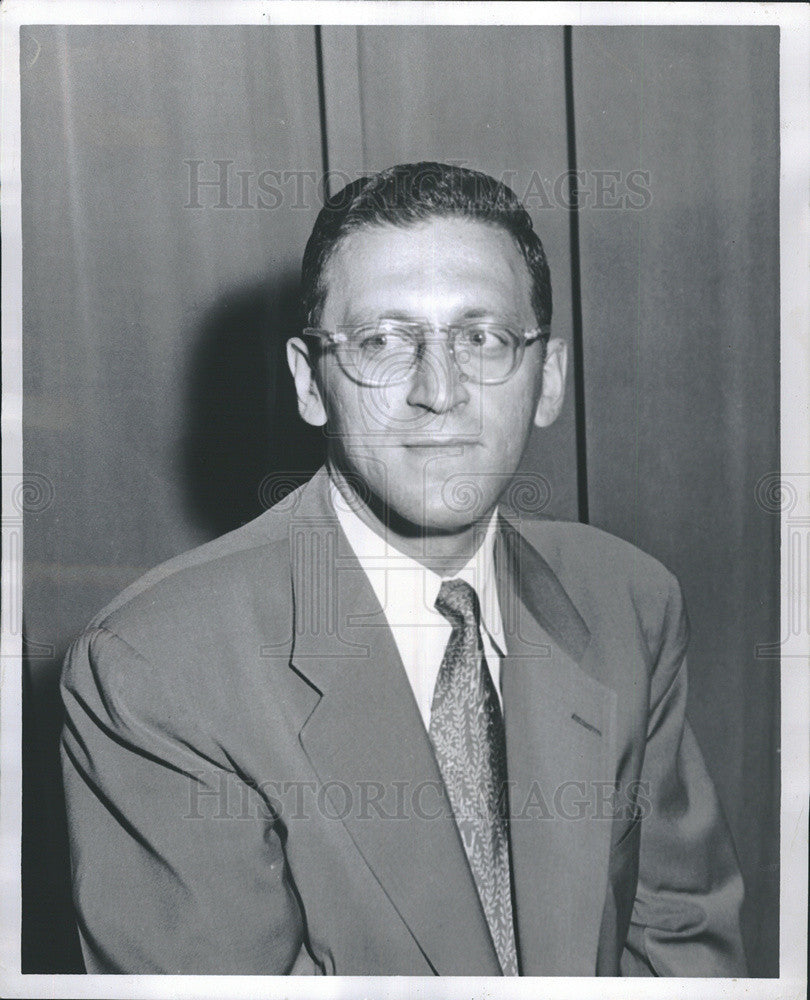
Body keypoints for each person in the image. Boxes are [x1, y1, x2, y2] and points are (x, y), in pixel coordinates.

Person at [60, 162, 747, 976]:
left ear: (548, 379)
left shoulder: (629, 601)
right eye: (384, 340)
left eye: (481, 337)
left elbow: (678, 949)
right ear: (310, 385)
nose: (438, 390)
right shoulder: (156, 673)